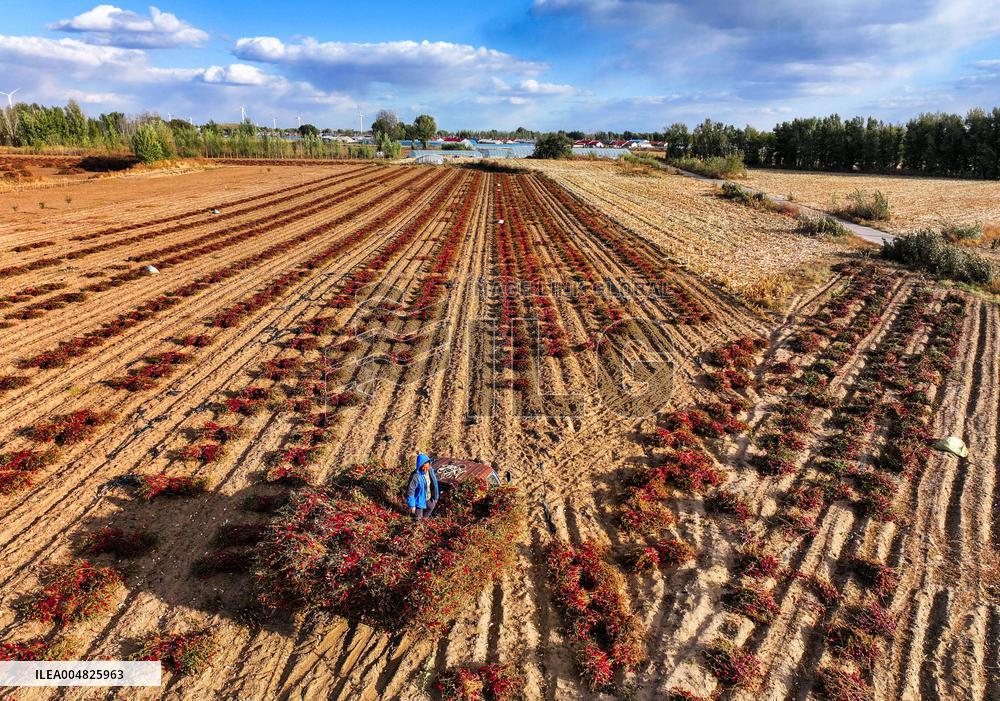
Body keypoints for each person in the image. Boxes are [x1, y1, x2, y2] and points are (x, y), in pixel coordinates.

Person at [407, 452, 439, 520]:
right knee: (418, 518)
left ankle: (424, 521)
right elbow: (410, 491)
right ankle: (418, 526)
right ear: (420, 465)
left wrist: (435, 497)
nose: (425, 468)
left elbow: (434, 483)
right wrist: (412, 505)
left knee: (431, 507)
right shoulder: (415, 476)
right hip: (419, 499)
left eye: (427, 466)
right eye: (423, 466)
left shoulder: (430, 470)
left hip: (428, 497)